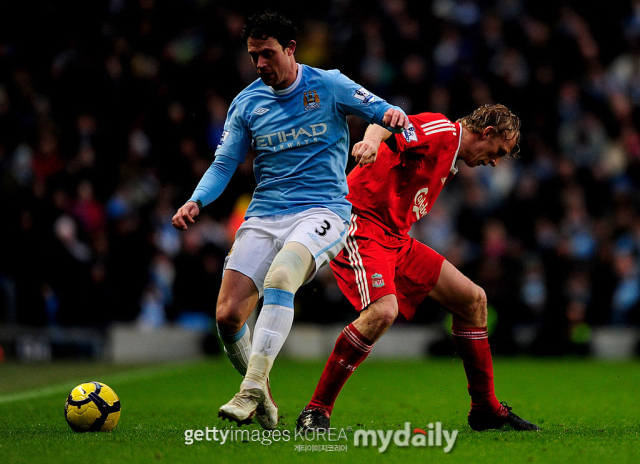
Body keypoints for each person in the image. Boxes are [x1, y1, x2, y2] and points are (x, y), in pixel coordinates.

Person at [171, 11, 408, 430]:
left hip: (323, 211)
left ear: (290, 49)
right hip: (264, 213)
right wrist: (196, 200)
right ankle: (263, 398)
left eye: (267, 54)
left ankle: (251, 386)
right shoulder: (246, 103)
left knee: (282, 277)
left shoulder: (328, 84)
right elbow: (224, 164)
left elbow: (384, 110)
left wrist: (389, 118)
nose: (260, 64)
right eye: (253, 56)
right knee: (227, 315)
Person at [296, 104, 540, 432]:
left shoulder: (451, 156)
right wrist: (370, 142)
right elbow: (388, 121)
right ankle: (316, 410)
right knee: (383, 312)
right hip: (360, 223)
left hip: (395, 238)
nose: (495, 161)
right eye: (498, 151)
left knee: (473, 300)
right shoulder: (442, 131)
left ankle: (485, 407)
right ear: (487, 133)